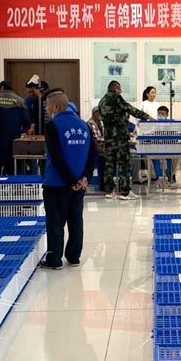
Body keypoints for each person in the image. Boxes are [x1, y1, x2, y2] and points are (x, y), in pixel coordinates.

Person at [40, 91, 97, 270]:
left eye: (47, 105)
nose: (46, 109)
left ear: (56, 106)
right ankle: (74, 256)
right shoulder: (84, 125)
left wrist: (71, 180)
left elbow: (56, 157)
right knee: (75, 220)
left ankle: (54, 259)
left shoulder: (52, 126)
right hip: (80, 185)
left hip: (56, 183)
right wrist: (85, 178)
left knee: (55, 222)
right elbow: (93, 154)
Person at [98, 81, 152, 200]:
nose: (120, 92)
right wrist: (147, 116)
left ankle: (109, 191)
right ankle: (125, 192)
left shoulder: (101, 102)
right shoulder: (116, 98)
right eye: (120, 90)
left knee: (109, 164)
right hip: (120, 137)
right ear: (116, 88)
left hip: (109, 137)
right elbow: (130, 109)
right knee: (123, 164)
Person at [0, 81, 30, 175]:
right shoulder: (20, 101)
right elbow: (26, 120)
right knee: (12, 164)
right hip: (14, 137)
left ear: (2, 88)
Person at [87, 105, 106, 187]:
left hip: (100, 149)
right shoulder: (91, 123)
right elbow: (97, 138)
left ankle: (106, 182)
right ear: (94, 113)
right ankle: (103, 183)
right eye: (98, 112)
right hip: (93, 150)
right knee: (104, 159)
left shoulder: (100, 123)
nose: (100, 114)